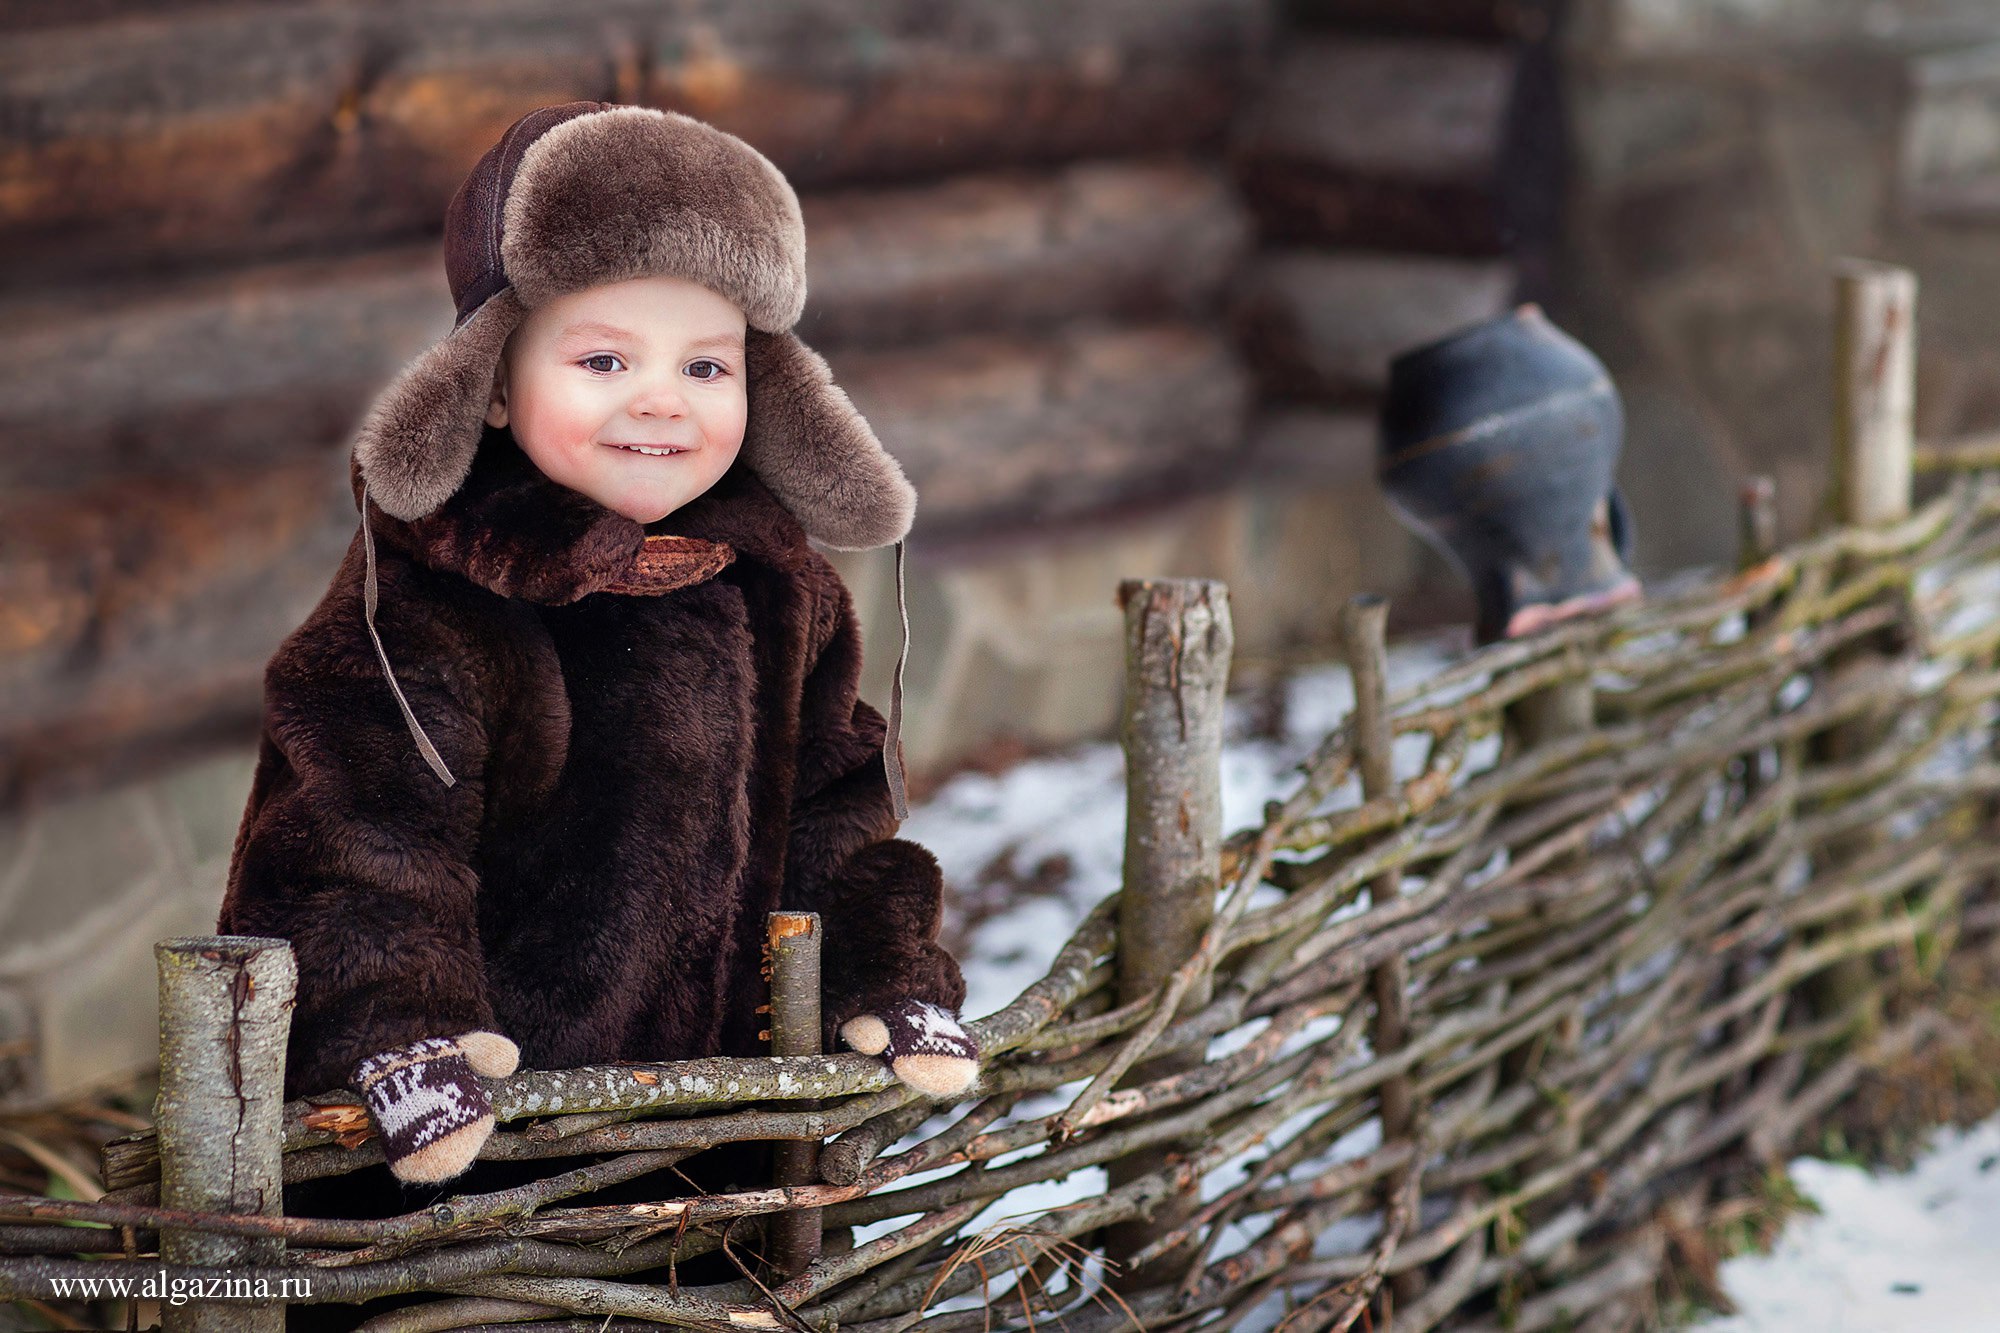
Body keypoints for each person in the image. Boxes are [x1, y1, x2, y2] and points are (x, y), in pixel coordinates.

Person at [217, 103, 979, 1209]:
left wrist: (879, 961)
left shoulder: (777, 586)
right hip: (477, 1164)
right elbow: (357, 836)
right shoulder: (435, 595)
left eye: (708, 368)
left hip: (711, 1163)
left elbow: (832, 806)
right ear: (487, 382)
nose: (662, 400)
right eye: (606, 356)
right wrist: (400, 1030)